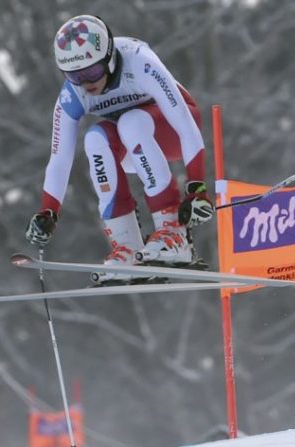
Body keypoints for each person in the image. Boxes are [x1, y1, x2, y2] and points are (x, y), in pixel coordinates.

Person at [25, 15, 214, 284]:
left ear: (110, 56)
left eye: (91, 72)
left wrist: (197, 188)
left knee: (131, 121)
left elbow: (184, 124)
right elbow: (59, 158)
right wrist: (48, 212)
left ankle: (174, 234)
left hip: (174, 132)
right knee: (95, 138)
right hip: (135, 146)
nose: (86, 82)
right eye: (74, 75)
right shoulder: (74, 93)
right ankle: (127, 247)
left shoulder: (140, 62)